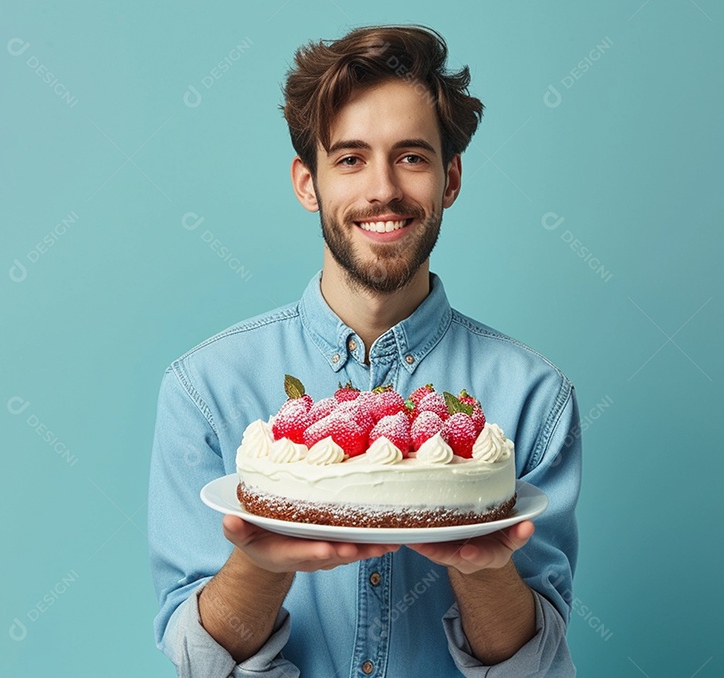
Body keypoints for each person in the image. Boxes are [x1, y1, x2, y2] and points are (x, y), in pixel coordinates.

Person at [149, 24, 581, 677]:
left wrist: (486, 572)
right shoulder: (204, 388)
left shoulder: (535, 397)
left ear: (450, 178)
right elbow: (198, 664)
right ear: (307, 182)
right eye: (350, 158)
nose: (383, 189)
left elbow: (537, 672)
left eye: (411, 156)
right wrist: (260, 565)